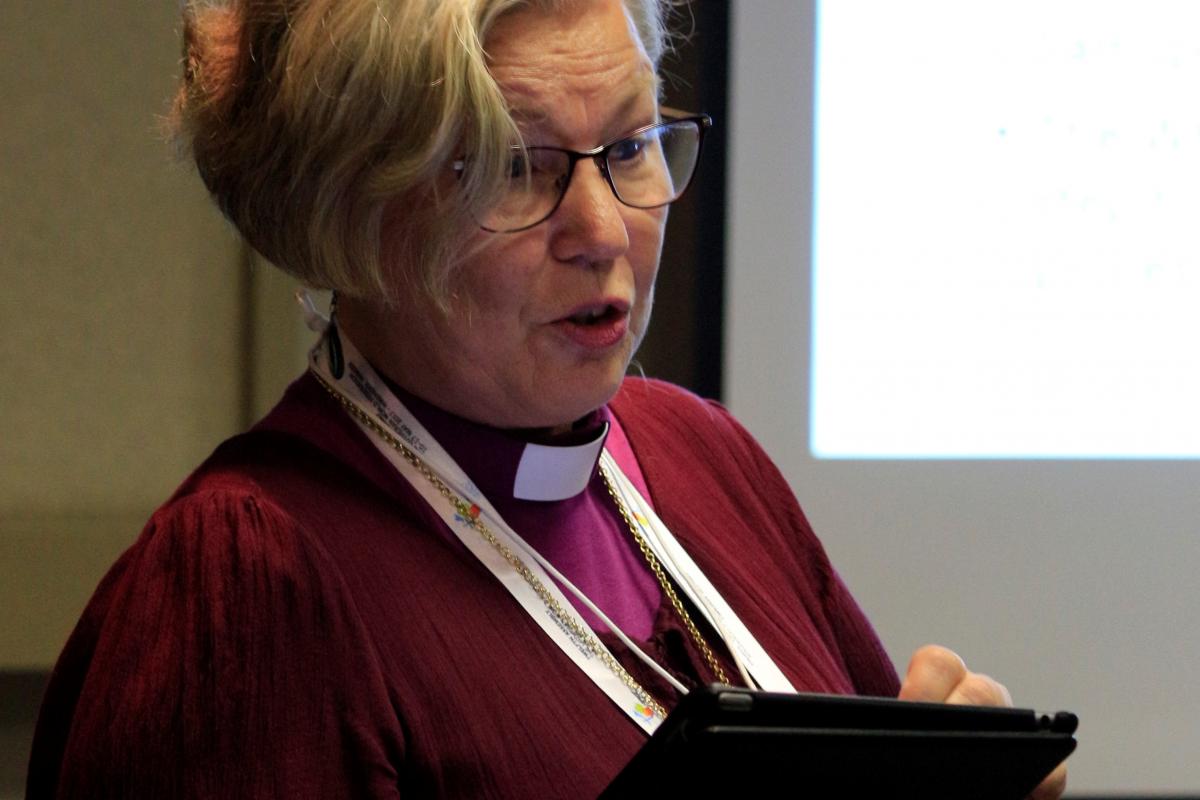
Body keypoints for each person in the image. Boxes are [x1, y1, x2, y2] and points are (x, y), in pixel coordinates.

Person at [27, 0, 1066, 797]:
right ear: (355, 201)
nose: (605, 229)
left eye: (628, 149)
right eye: (521, 168)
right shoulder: (250, 578)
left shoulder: (701, 456)